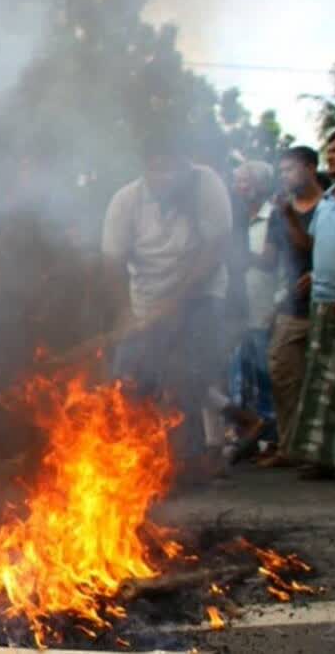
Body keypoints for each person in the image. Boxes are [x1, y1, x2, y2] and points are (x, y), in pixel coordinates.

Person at [102, 133, 233, 479]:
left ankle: (185, 464)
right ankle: (129, 460)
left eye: (171, 165)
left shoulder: (206, 186)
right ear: (145, 167)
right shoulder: (126, 201)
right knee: (127, 379)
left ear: (184, 163)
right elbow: (113, 263)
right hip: (145, 300)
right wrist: (125, 313)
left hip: (201, 296)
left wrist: (177, 302)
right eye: (156, 166)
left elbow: (214, 249)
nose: (165, 175)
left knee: (185, 377)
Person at [283, 127, 335, 481]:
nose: (330, 156)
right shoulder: (329, 200)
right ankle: (322, 457)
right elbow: (311, 246)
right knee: (322, 380)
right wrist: (289, 218)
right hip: (322, 301)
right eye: (329, 151)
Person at [259, 147, 325, 468]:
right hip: (291, 305)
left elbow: (313, 248)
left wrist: (288, 217)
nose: (284, 176)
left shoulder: (331, 206)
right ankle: (290, 446)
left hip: (328, 303)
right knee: (282, 373)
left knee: (327, 381)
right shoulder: (279, 212)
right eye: (281, 171)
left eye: (290, 169)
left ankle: (326, 454)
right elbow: (271, 262)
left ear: (311, 167)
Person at [223, 160, 279, 462]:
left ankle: (271, 441)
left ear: (261, 184)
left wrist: (242, 256)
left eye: (245, 182)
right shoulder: (234, 217)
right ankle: (244, 438)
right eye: (237, 182)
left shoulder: (275, 216)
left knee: (264, 375)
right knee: (237, 376)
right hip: (236, 306)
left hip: (264, 304)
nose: (239, 187)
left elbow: (272, 262)